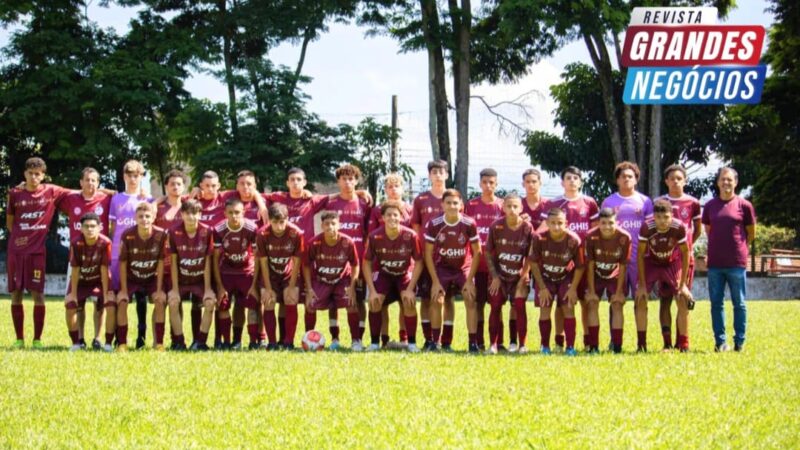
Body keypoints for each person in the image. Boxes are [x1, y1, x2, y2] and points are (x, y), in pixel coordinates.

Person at [6, 157, 71, 348]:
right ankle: (19, 339)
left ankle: (37, 339)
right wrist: (21, 238)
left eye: (37, 174)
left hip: (37, 252)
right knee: (16, 293)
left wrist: (108, 192)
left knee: (38, 294)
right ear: (24, 174)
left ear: (43, 176)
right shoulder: (14, 194)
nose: (34, 177)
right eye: (30, 173)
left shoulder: (51, 191)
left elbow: (80, 191)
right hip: (16, 252)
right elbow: (10, 223)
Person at [538, 166, 598, 352]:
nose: (572, 181)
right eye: (568, 178)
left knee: (585, 302)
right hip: (560, 262)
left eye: (575, 178)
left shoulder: (590, 203)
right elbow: (541, 230)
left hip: (583, 261)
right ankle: (558, 341)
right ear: (562, 182)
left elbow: (595, 232)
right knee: (561, 304)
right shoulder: (554, 205)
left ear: (580, 182)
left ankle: (588, 341)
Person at [701, 167, 756, 352]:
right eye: (723, 179)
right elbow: (709, 231)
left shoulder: (744, 205)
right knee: (716, 304)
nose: (726, 183)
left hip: (736, 263)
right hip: (715, 263)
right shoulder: (709, 206)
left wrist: (739, 248)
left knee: (739, 303)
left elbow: (751, 233)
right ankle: (720, 342)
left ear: (736, 182)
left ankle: (739, 341)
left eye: (729, 180)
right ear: (717, 182)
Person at [58, 167, 113, 349]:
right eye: (87, 180)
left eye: (94, 180)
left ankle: (98, 339)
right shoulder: (71, 199)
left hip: (99, 257)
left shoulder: (106, 198)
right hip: (77, 258)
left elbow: (124, 195)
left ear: (98, 183)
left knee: (101, 302)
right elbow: (51, 193)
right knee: (76, 301)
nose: (91, 183)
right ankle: (79, 339)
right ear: (80, 182)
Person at [424, 189, 482, 353]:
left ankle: (472, 344)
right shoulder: (434, 224)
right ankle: (435, 343)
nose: (452, 206)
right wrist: (435, 282)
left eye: (455, 203)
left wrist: (470, 280)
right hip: (442, 267)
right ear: (442, 205)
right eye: (448, 203)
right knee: (437, 299)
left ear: (461, 205)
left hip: (463, 267)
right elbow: (427, 253)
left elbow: (477, 252)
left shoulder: (469, 223)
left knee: (470, 299)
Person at [362, 201, 424, 352]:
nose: (392, 218)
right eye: (388, 215)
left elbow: (419, 262)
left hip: (403, 275)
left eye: (395, 215)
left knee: (409, 302)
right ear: (382, 217)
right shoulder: (374, 236)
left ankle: (411, 343)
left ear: (401, 217)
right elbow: (366, 262)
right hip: (383, 275)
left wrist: (410, 289)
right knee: (375, 302)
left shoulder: (410, 235)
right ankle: (375, 343)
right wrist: (372, 291)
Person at [636, 200, 693, 353]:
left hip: (672, 263)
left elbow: (685, 253)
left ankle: (684, 345)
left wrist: (683, 284)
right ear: (654, 216)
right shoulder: (647, 227)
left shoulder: (678, 227)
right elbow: (640, 254)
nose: (662, 221)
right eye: (659, 217)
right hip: (652, 263)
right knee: (640, 299)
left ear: (672, 216)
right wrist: (641, 285)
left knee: (682, 298)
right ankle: (642, 345)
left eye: (666, 217)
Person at [656, 164, 702, 350]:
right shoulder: (658, 202)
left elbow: (696, 230)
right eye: (671, 178)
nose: (675, 181)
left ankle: (683, 343)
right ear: (666, 181)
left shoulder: (693, 203)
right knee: (665, 300)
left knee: (681, 298)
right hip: (663, 258)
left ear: (685, 180)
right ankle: (667, 343)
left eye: (679, 178)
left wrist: (685, 247)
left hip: (683, 260)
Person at [111, 202, 168, 352]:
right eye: (141, 216)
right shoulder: (127, 234)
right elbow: (122, 263)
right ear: (135, 218)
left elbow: (161, 262)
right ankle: (122, 343)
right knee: (122, 301)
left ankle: (159, 343)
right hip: (131, 278)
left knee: (160, 300)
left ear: (154, 217)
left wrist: (160, 288)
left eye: (147, 216)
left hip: (151, 278)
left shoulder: (161, 234)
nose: (144, 219)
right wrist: (123, 290)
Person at [108, 160, 152, 349]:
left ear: (142, 177)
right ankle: (120, 338)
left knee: (141, 297)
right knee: (121, 298)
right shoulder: (116, 199)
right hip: (119, 256)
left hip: (141, 255)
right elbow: (111, 228)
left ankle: (141, 338)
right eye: (130, 175)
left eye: (137, 175)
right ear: (124, 176)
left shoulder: (147, 200)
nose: (134, 179)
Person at [530, 208, 585, 356]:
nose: (556, 227)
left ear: (566, 223)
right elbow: (533, 263)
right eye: (552, 223)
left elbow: (580, 267)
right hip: (545, 278)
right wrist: (541, 288)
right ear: (547, 223)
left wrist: (573, 288)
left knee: (568, 308)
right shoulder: (539, 238)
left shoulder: (574, 240)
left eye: (560, 223)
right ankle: (545, 346)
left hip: (565, 278)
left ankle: (570, 347)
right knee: (545, 308)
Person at [485, 193, 535, 354]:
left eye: (515, 206)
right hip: (500, 277)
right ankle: (493, 345)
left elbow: (531, 255)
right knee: (495, 306)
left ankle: (521, 345)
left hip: (518, 277)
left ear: (521, 208)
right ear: (503, 207)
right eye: (509, 206)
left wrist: (524, 275)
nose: (512, 210)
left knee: (519, 306)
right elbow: (487, 253)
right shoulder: (496, 226)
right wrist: (495, 276)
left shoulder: (527, 227)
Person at [303, 211, 361, 351]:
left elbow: (355, 264)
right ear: (322, 226)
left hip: (342, 280)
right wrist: (309, 289)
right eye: (327, 224)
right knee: (310, 304)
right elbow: (306, 265)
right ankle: (308, 339)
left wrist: (353, 286)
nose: (330, 227)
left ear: (339, 225)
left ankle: (355, 341)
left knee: (351, 303)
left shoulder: (347, 242)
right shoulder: (314, 242)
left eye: (333, 223)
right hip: (321, 280)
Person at [464, 168, 506, 351]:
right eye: (485, 182)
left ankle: (499, 342)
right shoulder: (471, 205)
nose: (488, 186)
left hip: (497, 266)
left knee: (497, 305)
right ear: (480, 184)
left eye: (492, 182)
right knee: (478, 303)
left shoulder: (504, 205)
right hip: (477, 264)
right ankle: (478, 341)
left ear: (496, 184)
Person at [167, 200, 216, 351]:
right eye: (187, 213)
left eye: (194, 213)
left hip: (199, 280)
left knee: (209, 303)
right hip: (181, 280)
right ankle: (179, 342)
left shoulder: (207, 232)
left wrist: (208, 289)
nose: (191, 217)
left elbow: (208, 262)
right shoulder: (174, 232)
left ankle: (200, 342)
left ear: (200, 214)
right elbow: (173, 263)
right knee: (173, 302)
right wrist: (174, 289)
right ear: (181, 214)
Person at [213, 197, 261, 350]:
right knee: (223, 305)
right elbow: (214, 259)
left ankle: (253, 341)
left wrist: (254, 283)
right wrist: (219, 286)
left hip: (246, 272)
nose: (234, 216)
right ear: (225, 213)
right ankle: (227, 342)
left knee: (251, 305)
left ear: (244, 213)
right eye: (231, 213)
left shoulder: (252, 228)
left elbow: (258, 256)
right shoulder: (219, 229)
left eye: (237, 213)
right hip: (226, 272)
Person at [255, 203, 304, 350]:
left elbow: (297, 262)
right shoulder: (262, 234)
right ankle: (272, 342)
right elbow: (263, 262)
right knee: (268, 301)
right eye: (275, 222)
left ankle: (289, 342)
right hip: (269, 274)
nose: (278, 226)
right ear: (269, 220)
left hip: (289, 273)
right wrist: (268, 288)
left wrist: (291, 286)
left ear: (287, 219)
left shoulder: (296, 233)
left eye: (282, 222)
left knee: (291, 299)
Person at [410, 160, 448, 348]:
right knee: (425, 298)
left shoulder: (453, 198)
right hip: (426, 257)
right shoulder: (421, 199)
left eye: (441, 172)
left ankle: (442, 340)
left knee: (443, 299)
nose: (438, 175)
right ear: (430, 175)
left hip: (448, 257)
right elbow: (416, 226)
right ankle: (428, 339)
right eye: (434, 172)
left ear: (447, 175)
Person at [584, 208, 631, 353]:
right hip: (596, 275)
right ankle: (594, 347)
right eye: (603, 223)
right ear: (598, 223)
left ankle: (617, 347)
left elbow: (623, 265)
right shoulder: (591, 236)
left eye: (611, 223)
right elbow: (590, 265)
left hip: (615, 276)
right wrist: (591, 291)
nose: (607, 227)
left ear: (616, 222)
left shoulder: (624, 237)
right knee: (592, 304)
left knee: (617, 305)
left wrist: (618, 292)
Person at [65, 213, 113, 351]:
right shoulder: (76, 243)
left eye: (93, 226)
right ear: (81, 228)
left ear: (99, 228)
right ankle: (77, 341)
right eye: (86, 226)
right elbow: (75, 269)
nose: (90, 229)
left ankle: (99, 339)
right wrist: (73, 294)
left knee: (103, 304)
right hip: (80, 281)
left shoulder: (105, 243)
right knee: (71, 304)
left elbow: (104, 269)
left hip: (98, 280)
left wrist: (105, 294)